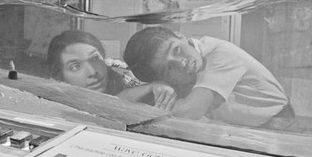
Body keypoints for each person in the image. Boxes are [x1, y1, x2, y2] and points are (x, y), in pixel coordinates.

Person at [123, 26, 294, 127]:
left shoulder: (220, 54)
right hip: (243, 128)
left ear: (181, 36)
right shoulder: (177, 74)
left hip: (279, 124)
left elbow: (189, 112)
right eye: (168, 69)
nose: (181, 63)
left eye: (176, 50)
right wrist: (152, 87)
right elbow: (121, 101)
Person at [47, 30, 176, 110]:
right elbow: (106, 106)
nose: (92, 72)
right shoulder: (58, 107)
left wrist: (160, 86)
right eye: (75, 66)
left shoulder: (126, 80)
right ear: (60, 76)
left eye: (95, 59)